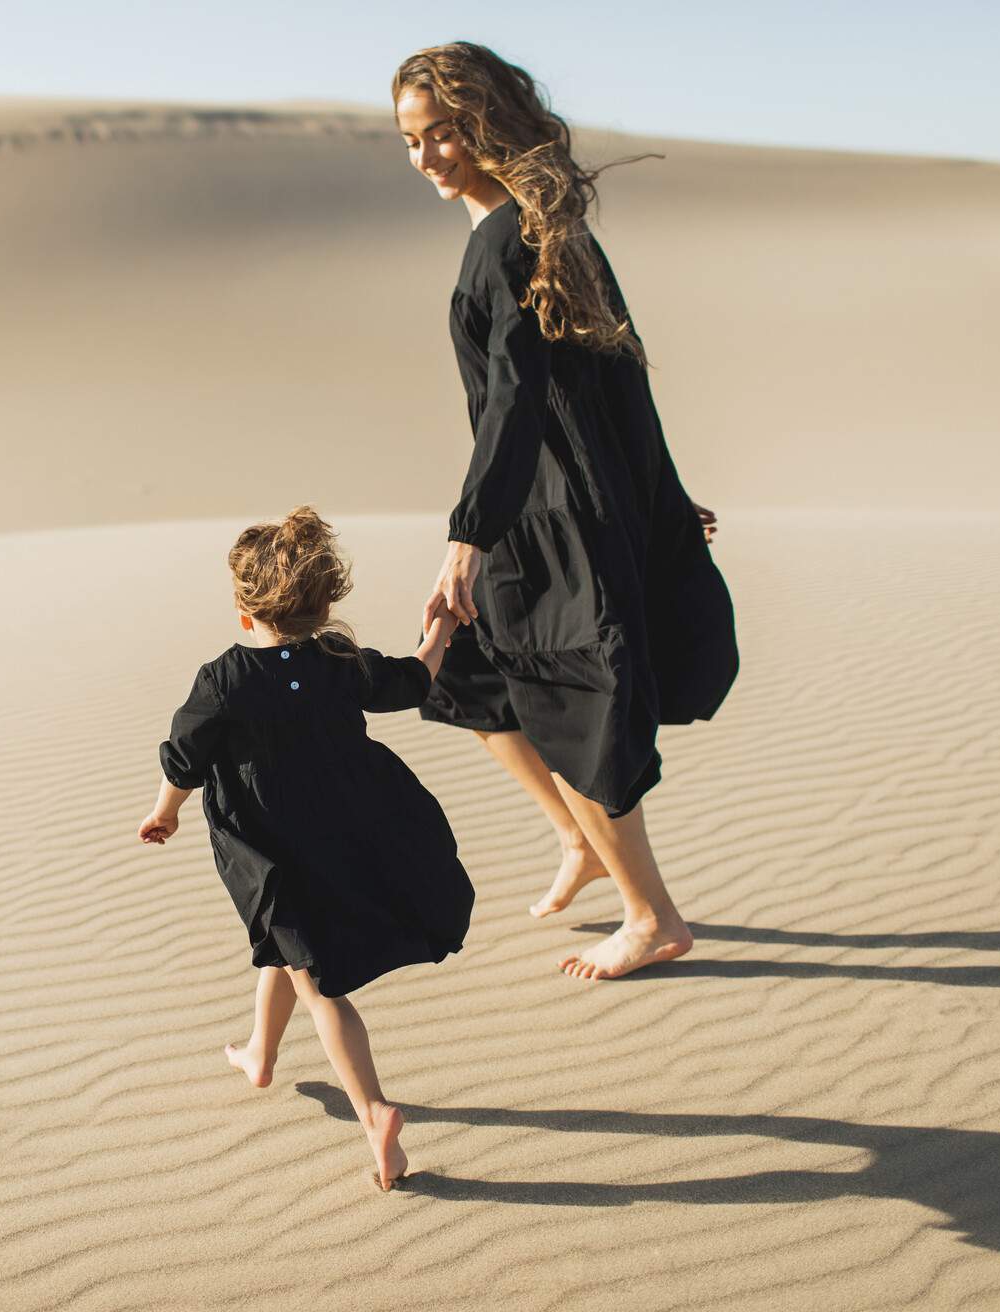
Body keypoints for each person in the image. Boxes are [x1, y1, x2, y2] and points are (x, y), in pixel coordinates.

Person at [393, 43, 740, 981]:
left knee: (570, 705)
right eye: (413, 140)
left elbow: (520, 397)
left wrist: (469, 534)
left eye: (444, 133)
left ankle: (651, 914)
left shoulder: (511, 239)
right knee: (472, 677)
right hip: (549, 498)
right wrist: (652, 487)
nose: (429, 156)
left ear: (486, 122)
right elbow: (615, 373)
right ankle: (579, 841)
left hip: (544, 514)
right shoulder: (536, 231)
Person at [137, 505, 471, 1190]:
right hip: (349, 835)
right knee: (286, 949)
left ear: (242, 610)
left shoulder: (223, 680)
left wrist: (162, 813)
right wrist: (439, 631)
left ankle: (373, 1110)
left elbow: (183, 759)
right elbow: (414, 678)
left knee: (318, 987)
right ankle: (261, 1053)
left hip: (272, 855)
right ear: (322, 609)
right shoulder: (337, 661)